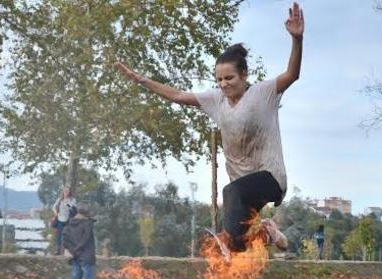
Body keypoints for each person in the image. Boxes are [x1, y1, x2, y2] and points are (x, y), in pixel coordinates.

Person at [114, 2, 304, 257]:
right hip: (241, 190)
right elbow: (179, 96)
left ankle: (260, 233)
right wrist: (143, 80)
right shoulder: (216, 100)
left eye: (230, 78)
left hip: (269, 178)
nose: (224, 84)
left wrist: (297, 40)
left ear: (244, 75)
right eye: (219, 80)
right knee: (234, 244)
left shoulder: (262, 94)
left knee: (230, 194)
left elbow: (292, 74)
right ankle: (268, 233)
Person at [63, 203, 96, 279]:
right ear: (86, 214)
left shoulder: (69, 224)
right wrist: (76, 251)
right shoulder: (87, 224)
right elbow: (84, 241)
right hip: (86, 256)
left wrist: (71, 252)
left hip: (75, 257)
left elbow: (65, 240)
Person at [53, 186, 77, 255]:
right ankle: (58, 250)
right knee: (59, 235)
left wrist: (67, 203)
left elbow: (72, 209)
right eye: (64, 190)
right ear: (63, 191)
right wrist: (56, 214)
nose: (66, 192)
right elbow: (54, 207)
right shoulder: (60, 199)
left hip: (68, 220)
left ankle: (67, 250)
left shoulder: (72, 200)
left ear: (69, 191)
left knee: (68, 235)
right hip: (60, 219)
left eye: (67, 190)